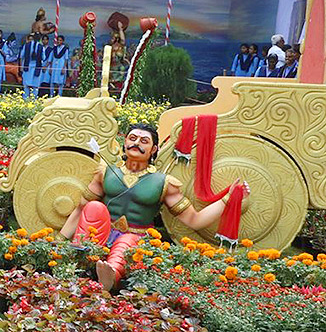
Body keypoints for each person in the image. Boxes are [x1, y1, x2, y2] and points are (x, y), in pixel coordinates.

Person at [62, 124, 243, 291]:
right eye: (132, 138)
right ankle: (77, 260)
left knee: (126, 245)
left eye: (144, 141)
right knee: (93, 206)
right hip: (101, 232)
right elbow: (80, 209)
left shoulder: (163, 183)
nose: (136, 143)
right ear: (124, 142)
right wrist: (58, 239)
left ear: (154, 149)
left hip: (136, 237)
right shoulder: (106, 172)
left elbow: (194, 220)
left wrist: (228, 198)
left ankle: (110, 277)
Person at [20, 31, 47, 99]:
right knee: (34, 85)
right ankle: (33, 99)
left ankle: (26, 98)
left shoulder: (26, 45)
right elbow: (43, 58)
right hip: (33, 67)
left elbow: (21, 56)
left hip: (30, 66)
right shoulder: (41, 47)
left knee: (29, 85)